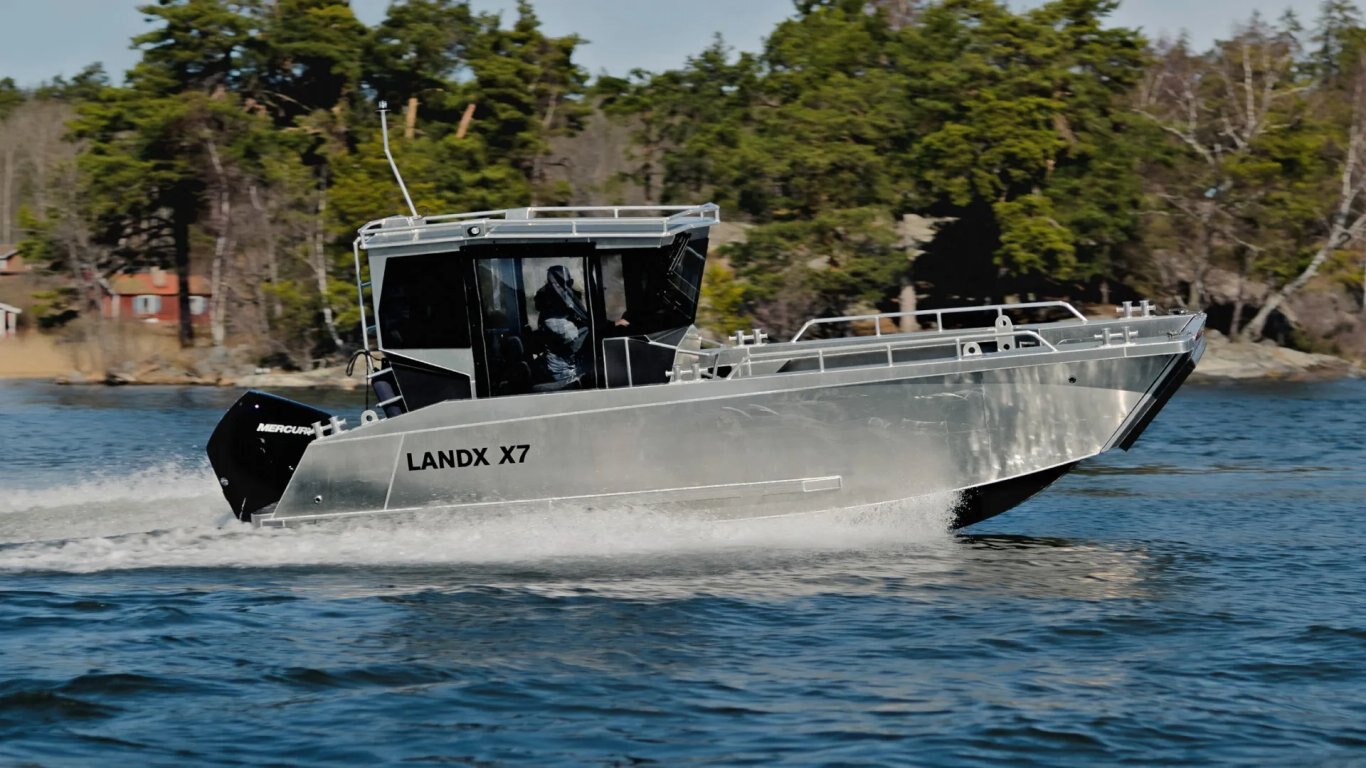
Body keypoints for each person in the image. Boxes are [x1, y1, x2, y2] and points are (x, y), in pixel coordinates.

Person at [531, 265, 590, 388]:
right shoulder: (552, 319)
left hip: (572, 364)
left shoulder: (564, 315)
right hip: (564, 371)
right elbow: (573, 339)